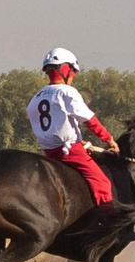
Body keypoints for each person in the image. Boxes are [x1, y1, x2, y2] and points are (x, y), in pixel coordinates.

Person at [29, 47, 118, 211]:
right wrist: (109, 139)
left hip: (49, 153)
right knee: (102, 182)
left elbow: (53, 126)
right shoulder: (67, 92)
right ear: (65, 69)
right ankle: (108, 223)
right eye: (72, 72)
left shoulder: (36, 97)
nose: (73, 76)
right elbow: (89, 120)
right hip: (70, 151)